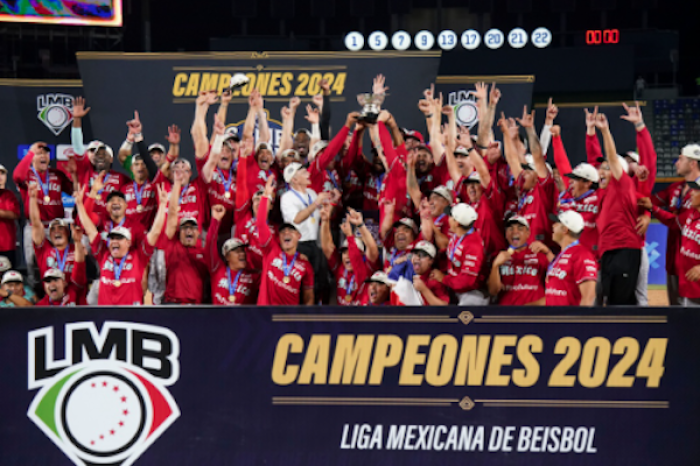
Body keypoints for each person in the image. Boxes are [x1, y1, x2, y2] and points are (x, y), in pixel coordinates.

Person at [75, 182, 167, 306]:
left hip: (131, 317)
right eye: (112, 238)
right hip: (106, 317)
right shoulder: (103, 254)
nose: (114, 242)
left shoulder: (138, 257)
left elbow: (155, 232)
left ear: (129, 242)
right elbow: (89, 227)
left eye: (119, 238)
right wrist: (80, 204)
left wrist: (162, 205)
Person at [594, 113, 642, 305]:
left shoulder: (623, 185)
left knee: (621, 304)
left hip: (623, 249)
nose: (601, 171)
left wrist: (605, 131)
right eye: (600, 168)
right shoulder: (604, 194)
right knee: (611, 301)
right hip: (608, 251)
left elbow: (612, 157)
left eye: (606, 168)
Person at [13, 142, 74, 281]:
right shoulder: (27, 175)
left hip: (56, 226)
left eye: (45, 153)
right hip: (35, 226)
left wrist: (73, 175)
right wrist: (30, 153)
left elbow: (72, 190)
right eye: (39, 153)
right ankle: (37, 294)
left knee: (59, 261)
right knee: (32, 264)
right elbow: (17, 177)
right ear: (32, 158)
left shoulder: (57, 174)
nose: (43, 156)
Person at [650, 143, 700, 305]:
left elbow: (678, 223)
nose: (676, 162)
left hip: (692, 265)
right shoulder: (676, 188)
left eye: (681, 159)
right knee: (675, 311)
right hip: (673, 260)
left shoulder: (696, 198)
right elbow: (649, 201)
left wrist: (652, 209)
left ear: (693, 163)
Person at [256, 177, 315, 305]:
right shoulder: (270, 249)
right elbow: (260, 224)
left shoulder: (305, 265)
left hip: (288, 320)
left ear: (299, 236)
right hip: (264, 315)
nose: (286, 233)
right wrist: (265, 197)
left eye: (291, 231)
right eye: (283, 232)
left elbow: (308, 297)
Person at [280, 162, 329, 303]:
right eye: (303, 172)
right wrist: (315, 204)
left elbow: (317, 214)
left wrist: (328, 202)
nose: (308, 174)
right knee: (302, 286)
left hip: (315, 244)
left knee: (318, 284)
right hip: (299, 246)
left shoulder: (312, 193)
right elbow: (296, 219)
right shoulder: (287, 197)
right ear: (294, 180)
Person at [158, 176, 209, 304]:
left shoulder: (204, 252)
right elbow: (172, 214)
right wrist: (177, 184)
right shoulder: (172, 245)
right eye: (185, 228)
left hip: (196, 307)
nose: (188, 231)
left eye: (192, 228)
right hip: (172, 303)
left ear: (198, 233)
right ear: (179, 232)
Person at [429, 203, 486, 305]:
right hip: (453, 285)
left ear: (456, 223)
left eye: (451, 216)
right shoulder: (458, 234)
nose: (448, 217)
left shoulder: (473, 245)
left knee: (466, 308)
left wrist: (443, 279)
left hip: (471, 292)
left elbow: (467, 281)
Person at [321, 207, 379, 305]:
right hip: (341, 317)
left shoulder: (368, 269)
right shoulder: (339, 267)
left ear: (362, 255)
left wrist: (360, 225)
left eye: (352, 251)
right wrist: (325, 221)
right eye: (344, 252)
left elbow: (372, 249)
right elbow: (327, 246)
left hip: (362, 316)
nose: (347, 255)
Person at [488, 216, 550, 305]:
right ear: (506, 234)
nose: (515, 232)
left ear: (528, 233)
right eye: (510, 229)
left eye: (520, 229)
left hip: (533, 312)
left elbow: (556, 289)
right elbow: (493, 291)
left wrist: (539, 304)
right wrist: (495, 265)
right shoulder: (499, 257)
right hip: (507, 312)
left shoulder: (540, 255)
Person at [208, 204, 260, 305]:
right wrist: (215, 220)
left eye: (242, 251)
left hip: (242, 320)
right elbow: (210, 244)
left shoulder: (253, 276)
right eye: (237, 251)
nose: (242, 254)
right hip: (219, 319)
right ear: (227, 256)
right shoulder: (217, 269)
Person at [543, 211, 597, 306]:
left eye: (557, 223)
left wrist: (578, 320)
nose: (553, 226)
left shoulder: (582, 255)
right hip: (553, 318)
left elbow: (589, 297)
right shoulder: (561, 255)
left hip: (568, 319)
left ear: (564, 229)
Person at [28, 184, 77, 283]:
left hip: (73, 295)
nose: (56, 231)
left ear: (67, 233)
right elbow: (36, 223)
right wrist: (33, 199)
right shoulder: (44, 250)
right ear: (49, 235)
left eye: (60, 228)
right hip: (50, 295)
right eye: (53, 230)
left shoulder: (77, 249)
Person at [36, 225, 87, 306]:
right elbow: (36, 226)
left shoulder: (75, 292)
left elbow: (79, 267)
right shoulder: (41, 306)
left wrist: (77, 242)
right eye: (48, 281)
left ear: (64, 283)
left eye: (56, 280)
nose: (52, 284)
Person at [410, 240, 450, 305]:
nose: (417, 257)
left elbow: (444, 306)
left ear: (431, 261)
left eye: (422, 255)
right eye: (415, 254)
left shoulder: (434, 279)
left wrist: (424, 289)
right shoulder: (406, 272)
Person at [0, 164, 20, 266]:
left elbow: (14, 214)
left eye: (2, 173)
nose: (0, 176)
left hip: (7, 245)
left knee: (9, 277)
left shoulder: (10, 195)